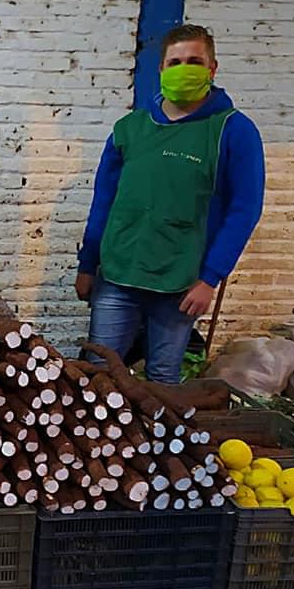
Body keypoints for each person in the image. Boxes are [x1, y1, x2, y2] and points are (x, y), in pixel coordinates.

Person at [75, 24, 265, 384]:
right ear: (161, 68)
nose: (184, 69)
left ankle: (154, 442)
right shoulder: (130, 128)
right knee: (100, 374)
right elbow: (104, 201)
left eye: (194, 61)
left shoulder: (233, 131)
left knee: (163, 380)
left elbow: (244, 211)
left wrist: (209, 279)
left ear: (212, 69)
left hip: (179, 283)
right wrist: (88, 264)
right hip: (118, 276)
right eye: (175, 62)